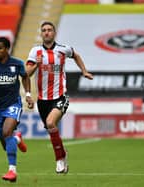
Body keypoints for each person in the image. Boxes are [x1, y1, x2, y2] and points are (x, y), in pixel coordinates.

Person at [26, 21, 93, 174]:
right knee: (51, 129)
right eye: (44, 30)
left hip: (60, 96)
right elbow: (27, 74)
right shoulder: (35, 51)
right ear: (41, 33)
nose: (47, 32)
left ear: (54, 33)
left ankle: (59, 160)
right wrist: (36, 65)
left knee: (50, 123)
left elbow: (76, 55)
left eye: (49, 30)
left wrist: (84, 71)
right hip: (42, 100)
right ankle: (62, 153)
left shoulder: (63, 49)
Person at [0, 37, 34, 182]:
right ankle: (16, 138)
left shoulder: (17, 64)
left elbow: (25, 77)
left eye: (0, 48)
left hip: (13, 104)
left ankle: (12, 171)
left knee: (7, 131)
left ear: (7, 48)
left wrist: (28, 95)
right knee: (6, 143)